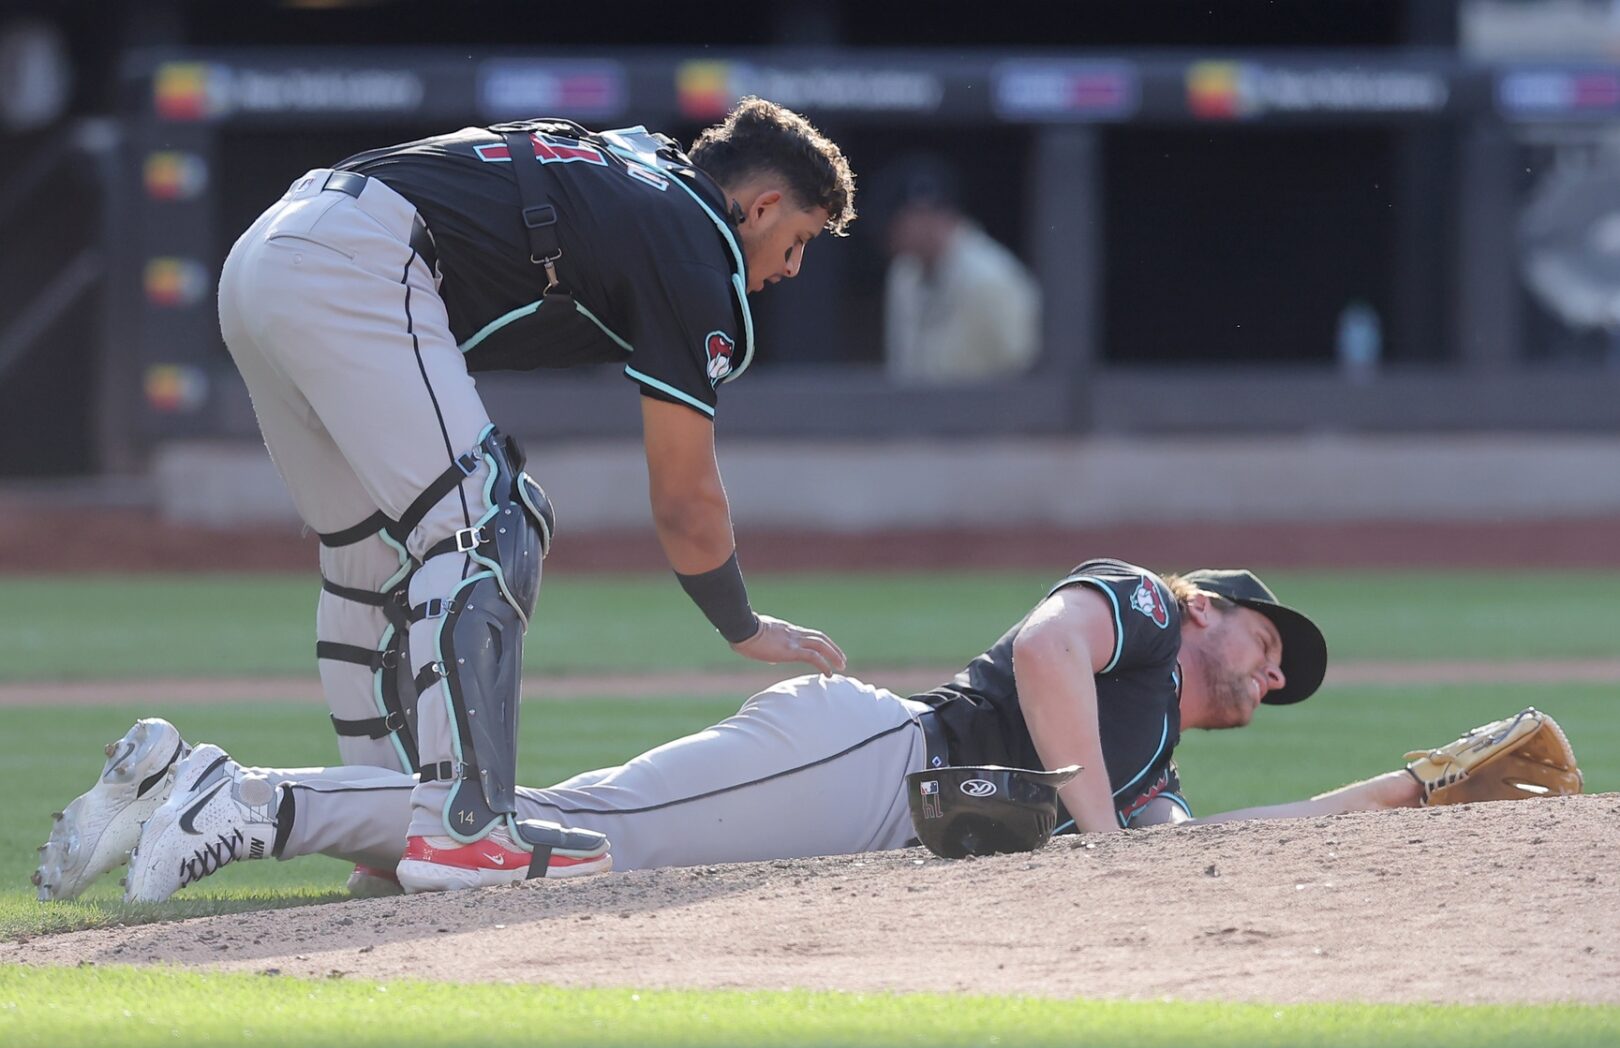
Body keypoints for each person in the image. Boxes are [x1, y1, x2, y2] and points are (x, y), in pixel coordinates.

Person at [202, 97, 856, 894]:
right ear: (761, 207)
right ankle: (462, 825)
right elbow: (686, 497)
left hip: (269, 252)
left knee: (369, 556)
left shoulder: (639, 162)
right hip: (358, 258)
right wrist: (741, 625)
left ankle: (389, 836)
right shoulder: (696, 241)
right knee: (488, 523)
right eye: (799, 240)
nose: (791, 268)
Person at [35, 559, 1424, 903]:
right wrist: (1106, 830)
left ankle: (229, 789)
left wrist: (1404, 793)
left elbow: (1207, 847)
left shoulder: (1151, 758)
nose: (1268, 673)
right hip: (874, 758)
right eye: (1268, 645)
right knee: (578, 843)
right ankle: (249, 800)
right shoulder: (1136, 603)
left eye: (1281, 682)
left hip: (879, 802)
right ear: (1218, 609)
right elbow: (1051, 646)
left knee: (557, 828)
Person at [878, 156, 1041, 385]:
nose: (891, 231)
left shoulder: (993, 279)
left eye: (899, 220)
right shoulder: (903, 275)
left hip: (984, 417)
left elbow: (1024, 371)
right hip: (917, 416)